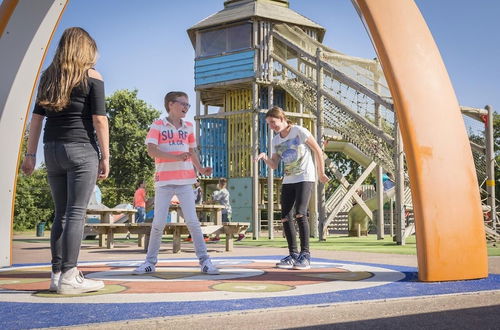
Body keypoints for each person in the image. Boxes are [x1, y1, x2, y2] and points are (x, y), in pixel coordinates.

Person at [20, 27, 109, 294]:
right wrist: (106, 156)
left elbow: (36, 119)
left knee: (60, 213)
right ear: (85, 49)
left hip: (52, 150)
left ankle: (57, 274)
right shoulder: (92, 76)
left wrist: (30, 155)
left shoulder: (49, 77)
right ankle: (71, 275)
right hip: (81, 149)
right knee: (76, 213)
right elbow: (99, 120)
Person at [133, 91, 219, 275]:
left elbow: (192, 152)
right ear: (171, 104)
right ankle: (150, 262)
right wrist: (175, 157)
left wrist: (201, 169)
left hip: (186, 181)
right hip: (163, 182)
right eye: (183, 104)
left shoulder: (188, 126)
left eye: (188, 105)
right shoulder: (158, 125)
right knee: (157, 223)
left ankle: (205, 261)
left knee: (193, 222)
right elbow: (151, 150)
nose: (186, 108)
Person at [256, 106, 329, 270]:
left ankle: (305, 255)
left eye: (273, 122)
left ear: (282, 118)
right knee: (285, 216)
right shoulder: (276, 140)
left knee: (300, 213)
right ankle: (293, 254)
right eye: (269, 124)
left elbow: (317, 149)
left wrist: (321, 172)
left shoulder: (298, 131)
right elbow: (274, 165)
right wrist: (265, 157)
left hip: (305, 176)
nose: (272, 126)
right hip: (289, 179)